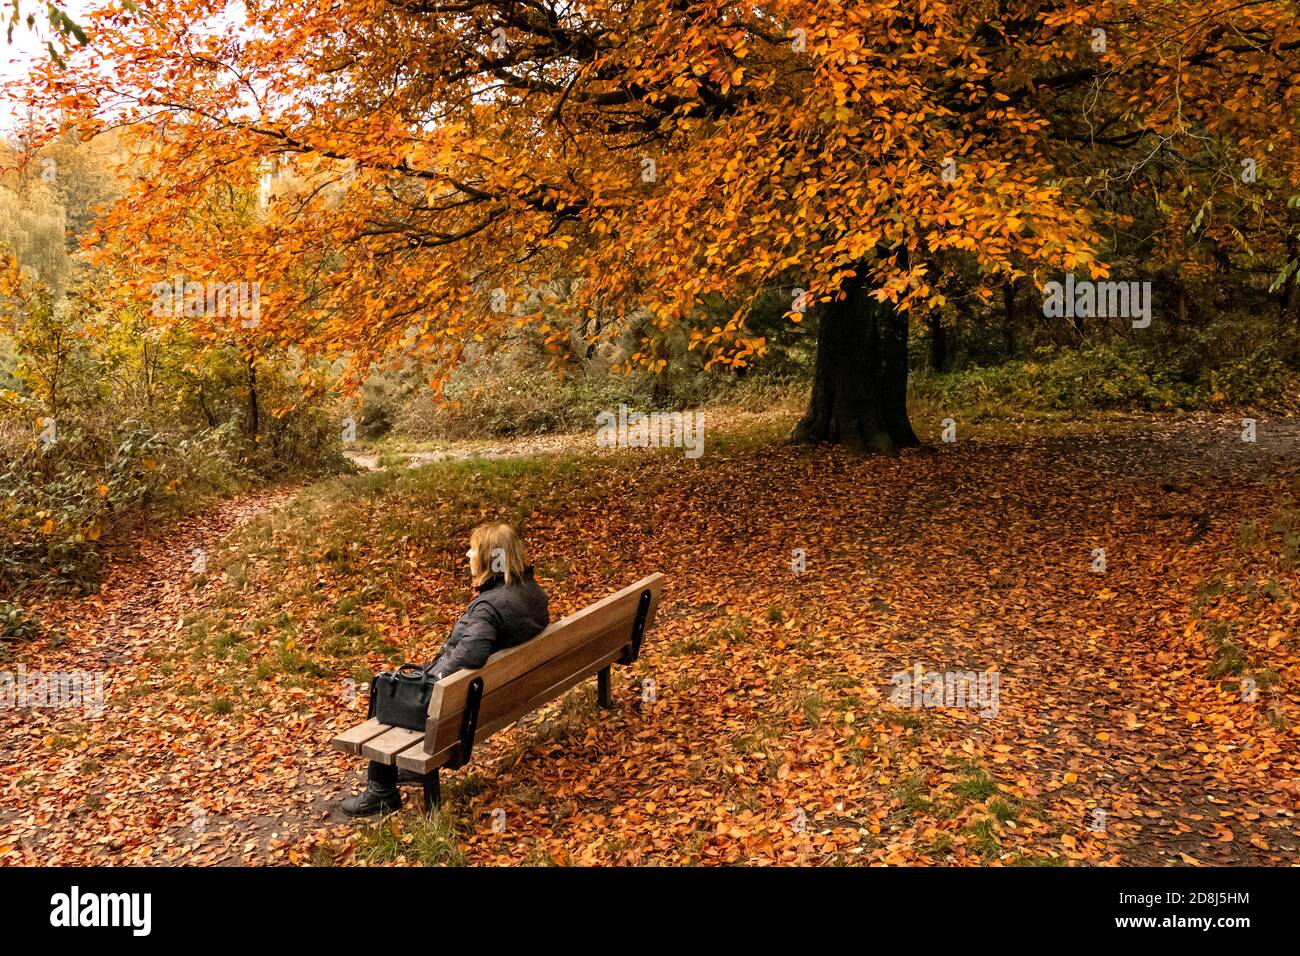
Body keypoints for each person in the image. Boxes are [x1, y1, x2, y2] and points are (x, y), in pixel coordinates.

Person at [341, 521, 549, 817]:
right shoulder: (532, 592)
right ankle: (404, 773)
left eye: (473, 550)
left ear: (490, 559)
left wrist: (430, 679)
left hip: (455, 708)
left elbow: (470, 655)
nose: (467, 555)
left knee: (385, 690)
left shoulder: (489, 607)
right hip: (497, 695)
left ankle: (381, 791)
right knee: (397, 685)